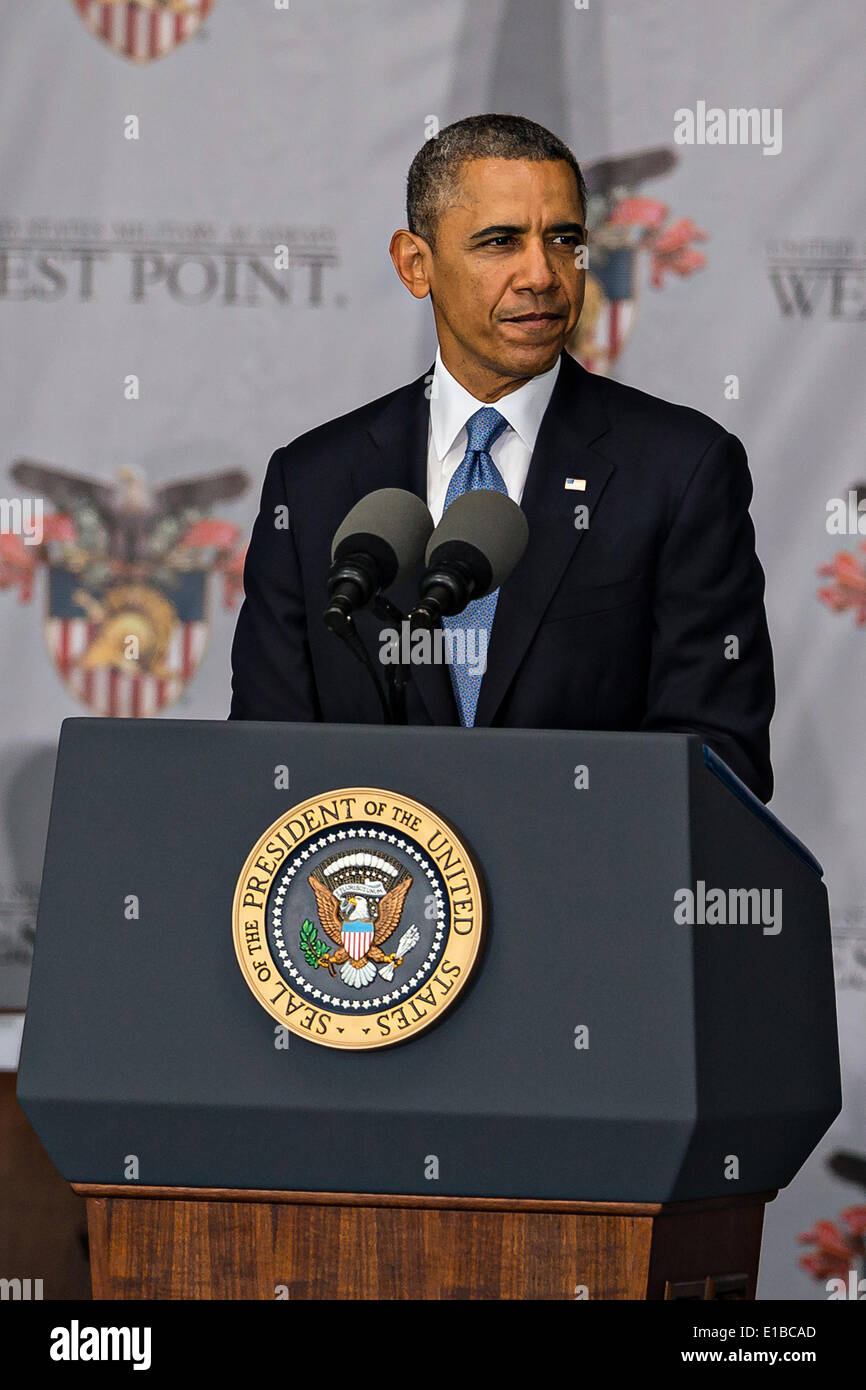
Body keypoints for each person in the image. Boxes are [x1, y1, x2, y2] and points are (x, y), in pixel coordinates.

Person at [228, 113, 775, 803]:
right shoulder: (312, 483)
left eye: (564, 240)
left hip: (588, 900)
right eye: (500, 242)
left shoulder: (680, 470)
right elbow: (263, 760)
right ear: (414, 263)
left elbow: (720, 761)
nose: (541, 275)